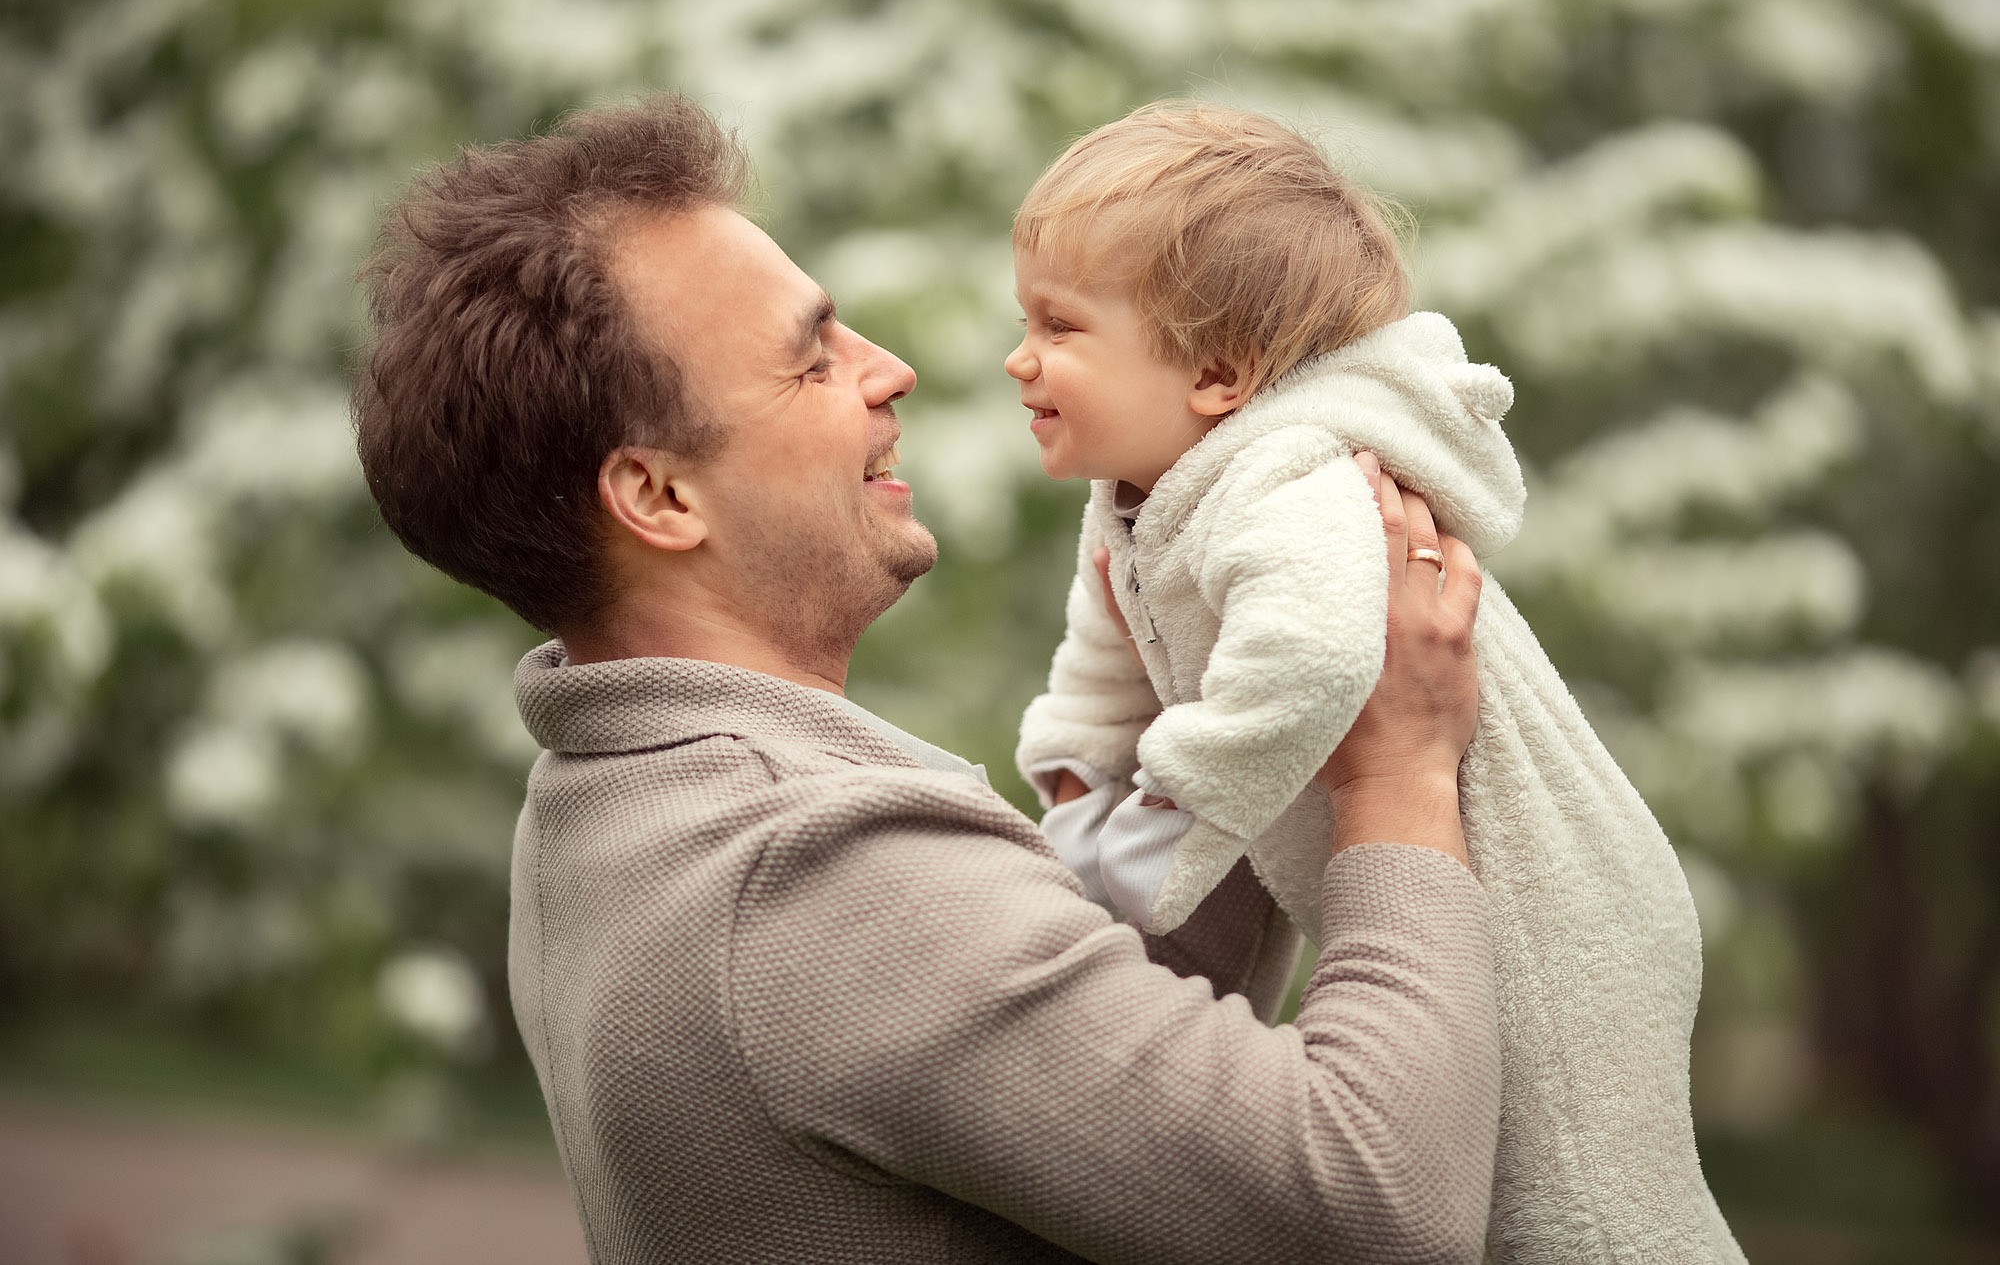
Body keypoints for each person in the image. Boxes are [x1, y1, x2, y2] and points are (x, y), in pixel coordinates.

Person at [352, 93, 1500, 1265]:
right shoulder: (811, 876)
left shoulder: (611, 802)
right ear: (658, 497)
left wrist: (1214, 670)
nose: (887, 370)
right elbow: (1373, 1200)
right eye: (810, 362)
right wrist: (1394, 775)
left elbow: (1119, 1085)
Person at [1007, 102, 1742, 1263]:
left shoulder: (1284, 479)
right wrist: (1076, 758)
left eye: (1058, 324)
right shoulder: (1142, 495)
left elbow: (1313, 658)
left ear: (1215, 373)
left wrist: (1163, 810)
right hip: (1425, 880)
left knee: (1576, 1205)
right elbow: (1110, 630)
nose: (1019, 355)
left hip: (1541, 899)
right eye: (1022, 318)